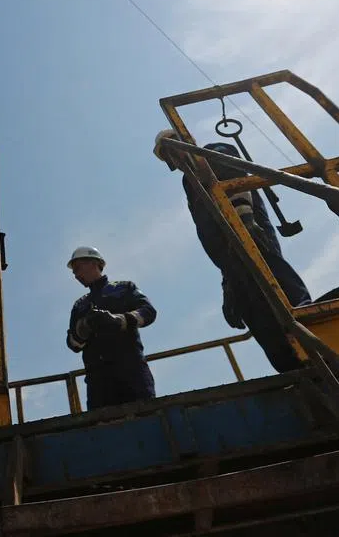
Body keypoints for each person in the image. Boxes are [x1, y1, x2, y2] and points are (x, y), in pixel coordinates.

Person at [154, 132, 311, 372]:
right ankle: (293, 369)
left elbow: (232, 177)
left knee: (280, 290)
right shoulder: (189, 181)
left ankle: (315, 340)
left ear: (187, 141)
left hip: (250, 236)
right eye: (168, 155)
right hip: (229, 258)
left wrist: (246, 221)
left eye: (174, 147)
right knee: (255, 310)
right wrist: (228, 281)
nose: (174, 156)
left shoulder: (212, 151)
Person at [65, 246, 157, 410]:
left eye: (78, 268)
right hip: (98, 382)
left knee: (146, 416)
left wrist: (119, 320)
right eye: (74, 272)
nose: (76, 275)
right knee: (102, 428)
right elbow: (73, 344)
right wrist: (83, 329)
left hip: (132, 373)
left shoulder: (124, 288)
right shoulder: (80, 305)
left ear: (94, 263)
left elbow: (148, 311)